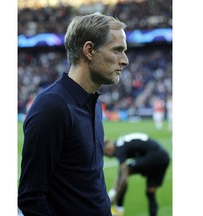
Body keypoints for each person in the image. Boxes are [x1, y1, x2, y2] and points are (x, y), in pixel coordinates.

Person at [18, 13, 129, 216]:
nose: (125, 60)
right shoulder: (53, 107)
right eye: (117, 50)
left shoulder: (93, 102)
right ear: (89, 50)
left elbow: (88, 181)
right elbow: (31, 198)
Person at [103, 133, 170, 216]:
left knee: (124, 173)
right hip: (164, 158)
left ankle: (119, 209)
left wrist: (115, 197)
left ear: (108, 146)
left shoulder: (119, 148)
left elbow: (123, 179)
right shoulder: (121, 143)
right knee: (150, 192)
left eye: (105, 153)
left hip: (154, 157)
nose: (108, 156)